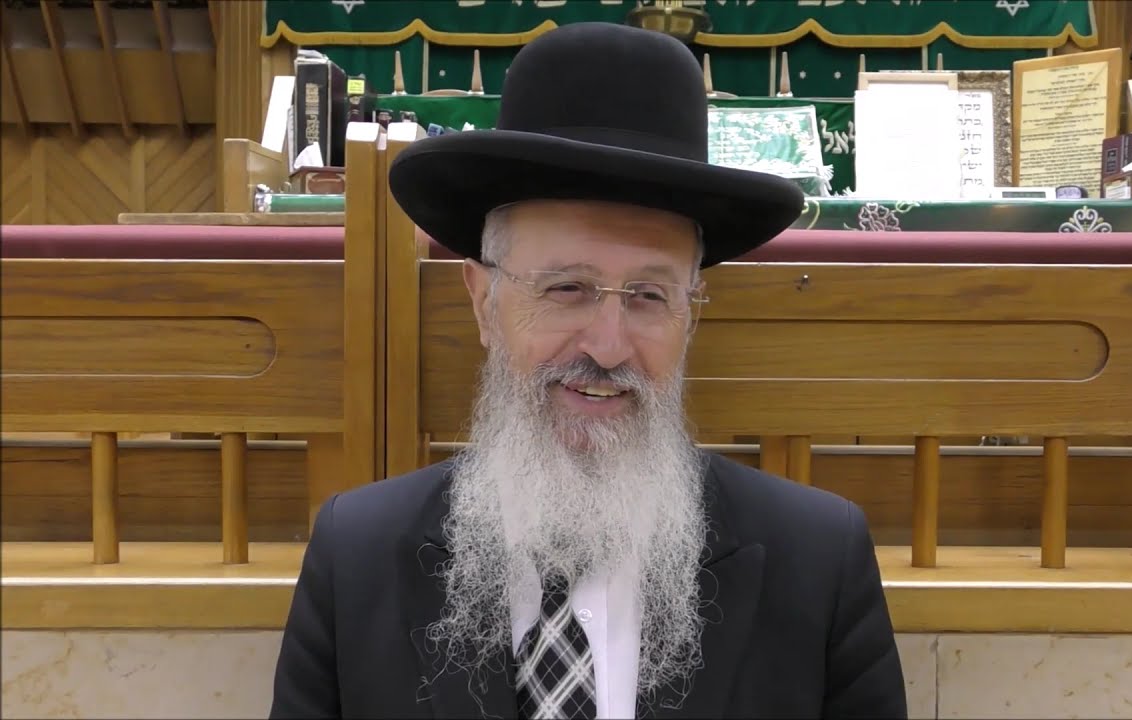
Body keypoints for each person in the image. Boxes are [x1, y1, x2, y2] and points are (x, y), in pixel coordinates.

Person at [270, 21, 907, 720]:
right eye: (566, 288)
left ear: (691, 314)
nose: (607, 347)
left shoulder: (818, 563)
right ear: (483, 302)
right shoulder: (355, 557)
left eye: (649, 296)